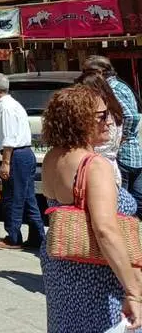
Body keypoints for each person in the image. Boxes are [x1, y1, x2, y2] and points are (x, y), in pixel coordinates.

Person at [40, 85, 142, 332]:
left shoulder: (52, 157)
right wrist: (134, 291)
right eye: (102, 115)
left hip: (62, 265)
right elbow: (105, 230)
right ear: (80, 119)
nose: (110, 121)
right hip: (97, 270)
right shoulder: (94, 165)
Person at [0, 73, 44, 251]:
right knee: (27, 197)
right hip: (24, 154)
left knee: (13, 198)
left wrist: (6, 162)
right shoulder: (12, 104)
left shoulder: (5, 107)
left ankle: (13, 237)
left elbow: (10, 137)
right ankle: (37, 236)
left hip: (16, 155)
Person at [83, 55, 142, 212]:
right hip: (131, 153)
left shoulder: (112, 89)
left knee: (119, 207)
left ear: (100, 72)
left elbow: (131, 116)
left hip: (122, 154)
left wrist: (122, 136)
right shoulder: (121, 85)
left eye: (87, 72)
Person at [78, 71, 126, 184]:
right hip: (112, 168)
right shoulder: (115, 110)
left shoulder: (103, 115)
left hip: (99, 170)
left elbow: (99, 147)